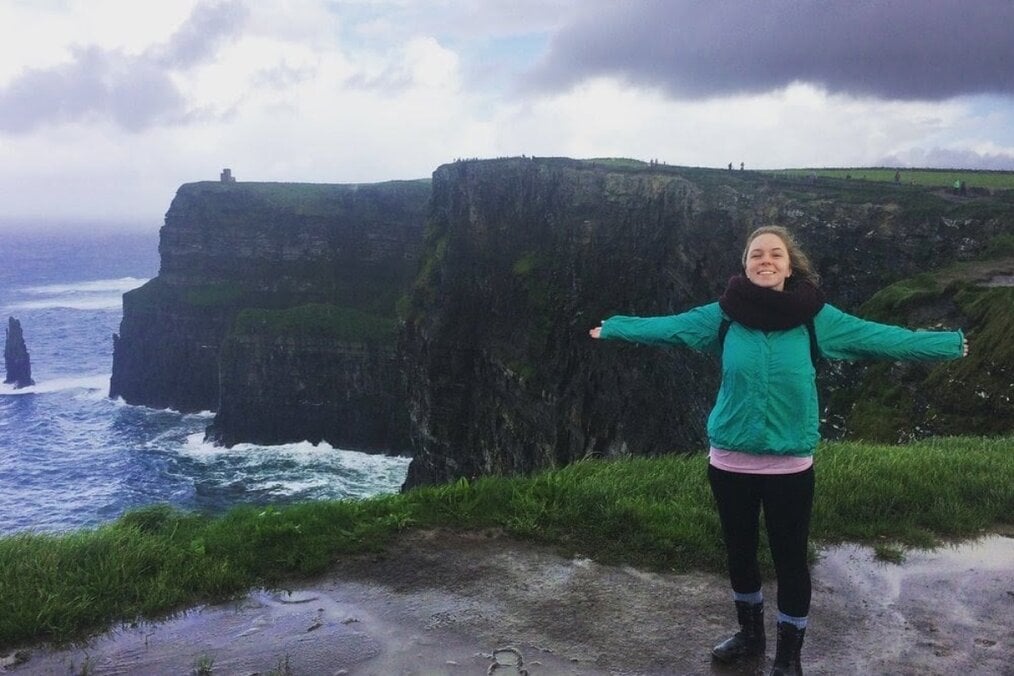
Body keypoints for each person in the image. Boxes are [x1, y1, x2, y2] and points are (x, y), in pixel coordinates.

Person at [588, 226, 966, 675]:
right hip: (730, 460)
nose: (765, 261)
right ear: (745, 266)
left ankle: (789, 655)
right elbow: (669, 328)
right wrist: (615, 327)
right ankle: (751, 637)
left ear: (790, 265)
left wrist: (947, 344)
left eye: (775, 254)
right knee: (740, 552)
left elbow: (880, 338)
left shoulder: (815, 318)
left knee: (790, 558)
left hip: (789, 464)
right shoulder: (723, 316)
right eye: (756, 255)